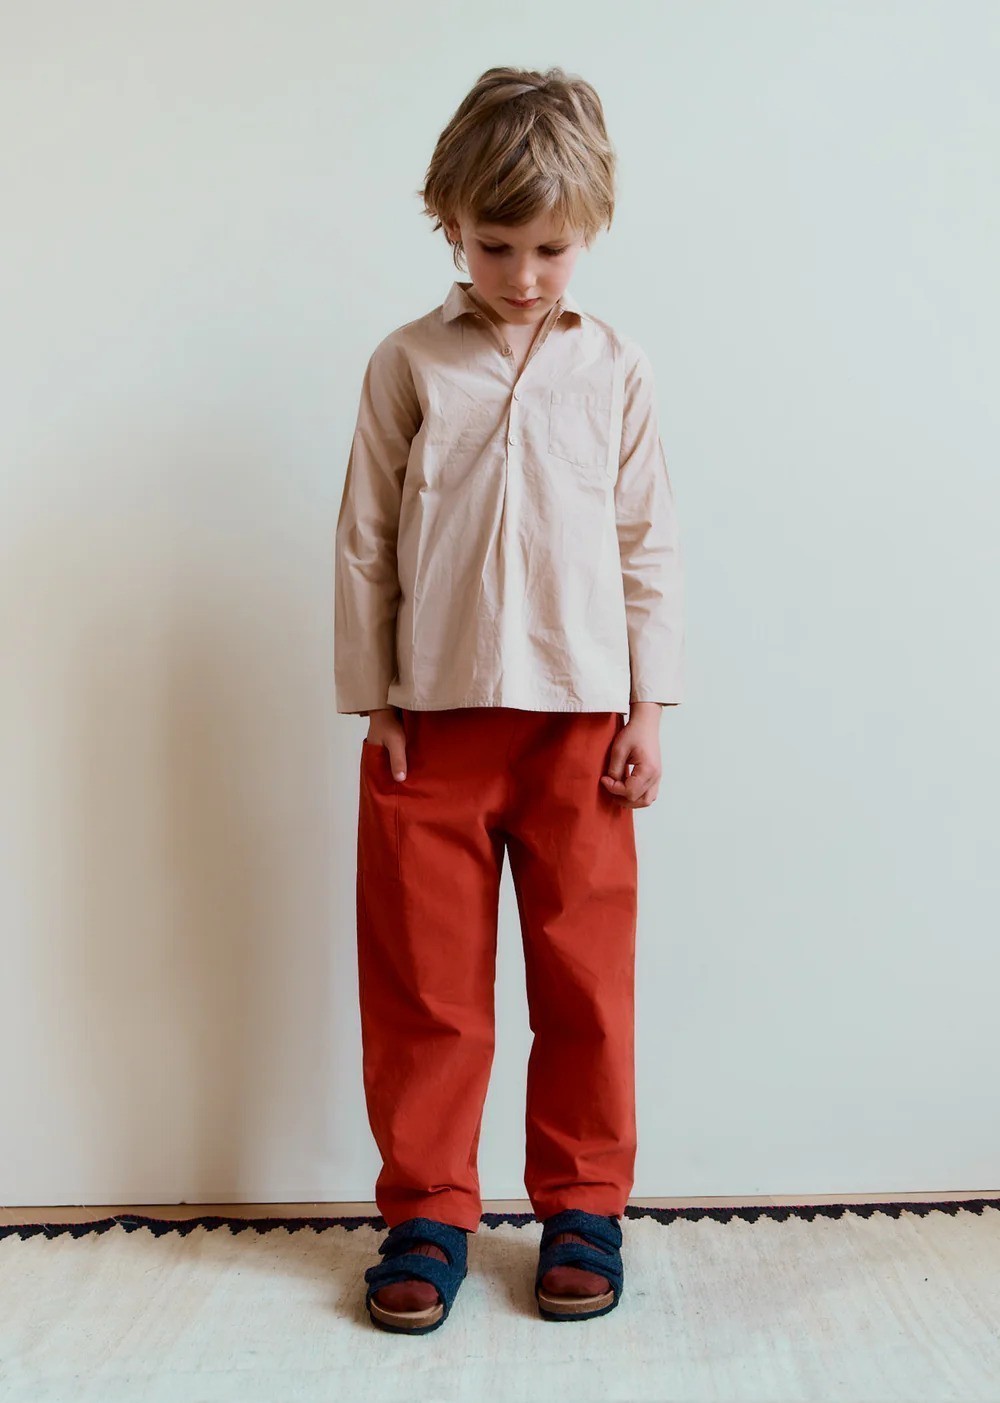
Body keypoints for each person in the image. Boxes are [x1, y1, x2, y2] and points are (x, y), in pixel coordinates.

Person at [334, 64, 685, 1334]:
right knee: (425, 985)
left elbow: (647, 543)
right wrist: (373, 699)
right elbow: (367, 537)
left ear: (590, 231)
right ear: (449, 223)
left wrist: (649, 707)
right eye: (495, 245)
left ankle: (583, 1203)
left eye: (550, 247)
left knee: (583, 978)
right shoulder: (409, 362)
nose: (524, 274)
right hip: (429, 722)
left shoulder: (616, 367)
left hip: (581, 724)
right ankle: (428, 1209)